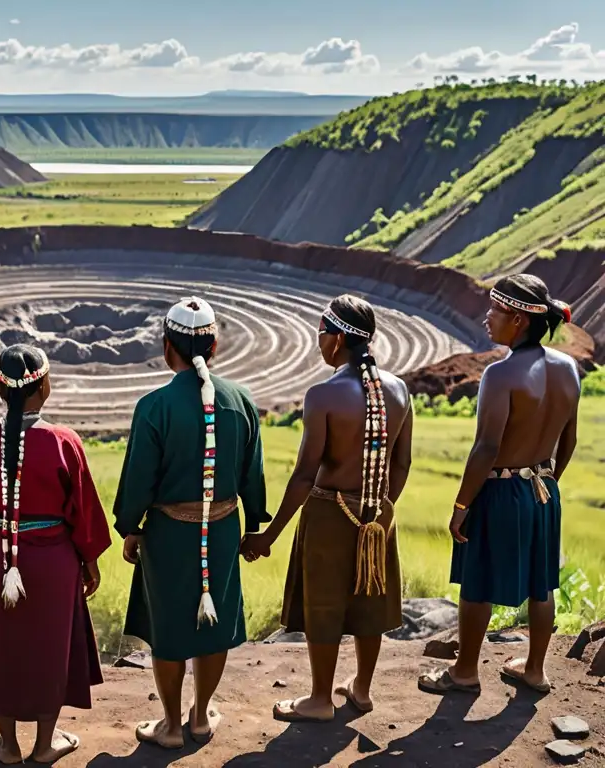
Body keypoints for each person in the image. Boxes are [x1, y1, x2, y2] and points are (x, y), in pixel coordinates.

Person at [0, 344, 111, 765]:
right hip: (52, 562)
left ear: (0, 387)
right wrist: (90, 562)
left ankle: (9, 746)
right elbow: (83, 512)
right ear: (45, 387)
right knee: (49, 651)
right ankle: (45, 743)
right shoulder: (63, 441)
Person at [243, 295, 412, 722]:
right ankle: (362, 690)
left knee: (324, 605)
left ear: (336, 340)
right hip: (376, 518)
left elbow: (304, 475)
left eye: (321, 334)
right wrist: (379, 508)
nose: (319, 342)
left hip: (327, 514)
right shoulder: (398, 389)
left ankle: (320, 700)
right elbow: (402, 461)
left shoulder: (323, 395)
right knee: (368, 599)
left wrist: (268, 536)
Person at [113, 296, 267, 749]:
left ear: (167, 348)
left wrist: (130, 527)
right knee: (212, 626)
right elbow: (251, 475)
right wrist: (253, 524)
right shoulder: (241, 402)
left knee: (169, 629)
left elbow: (138, 476)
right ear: (215, 344)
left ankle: (170, 725)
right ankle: (201, 716)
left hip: (168, 536)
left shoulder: (154, 406)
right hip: (219, 532)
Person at [418, 275, 579, 697]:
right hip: (543, 490)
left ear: (520, 320)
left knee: (477, 581)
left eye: (495, 311)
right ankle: (535, 671)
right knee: (541, 584)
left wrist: (461, 505)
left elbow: (486, 447)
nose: (486, 317)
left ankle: (465, 672)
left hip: (499, 490)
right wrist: (545, 485)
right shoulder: (568, 370)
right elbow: (570, 440)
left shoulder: (501, 374)